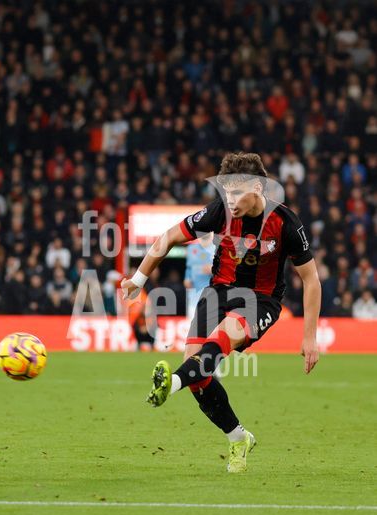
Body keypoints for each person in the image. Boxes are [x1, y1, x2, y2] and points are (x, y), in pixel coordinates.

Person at [121, 152, 321, 473]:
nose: (230, 200)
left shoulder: (286, 223)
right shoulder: (220, 212)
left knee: (219, 340)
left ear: (257, 188)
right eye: (227, 192)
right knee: (198, 375)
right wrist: (138, 279)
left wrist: (309, 338)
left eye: (237, 192)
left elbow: (311, 280)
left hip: (260, 300)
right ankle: (238, 437)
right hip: (217, 294)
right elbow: (170, 236)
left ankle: (171, 383)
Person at [184, 233, 216, 318]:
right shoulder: (191, 248)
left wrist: (214, 269)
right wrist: (187, 278)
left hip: (212, 298)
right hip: (194, 299)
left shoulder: (217, 248)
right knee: (193, 323)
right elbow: (189, 269)